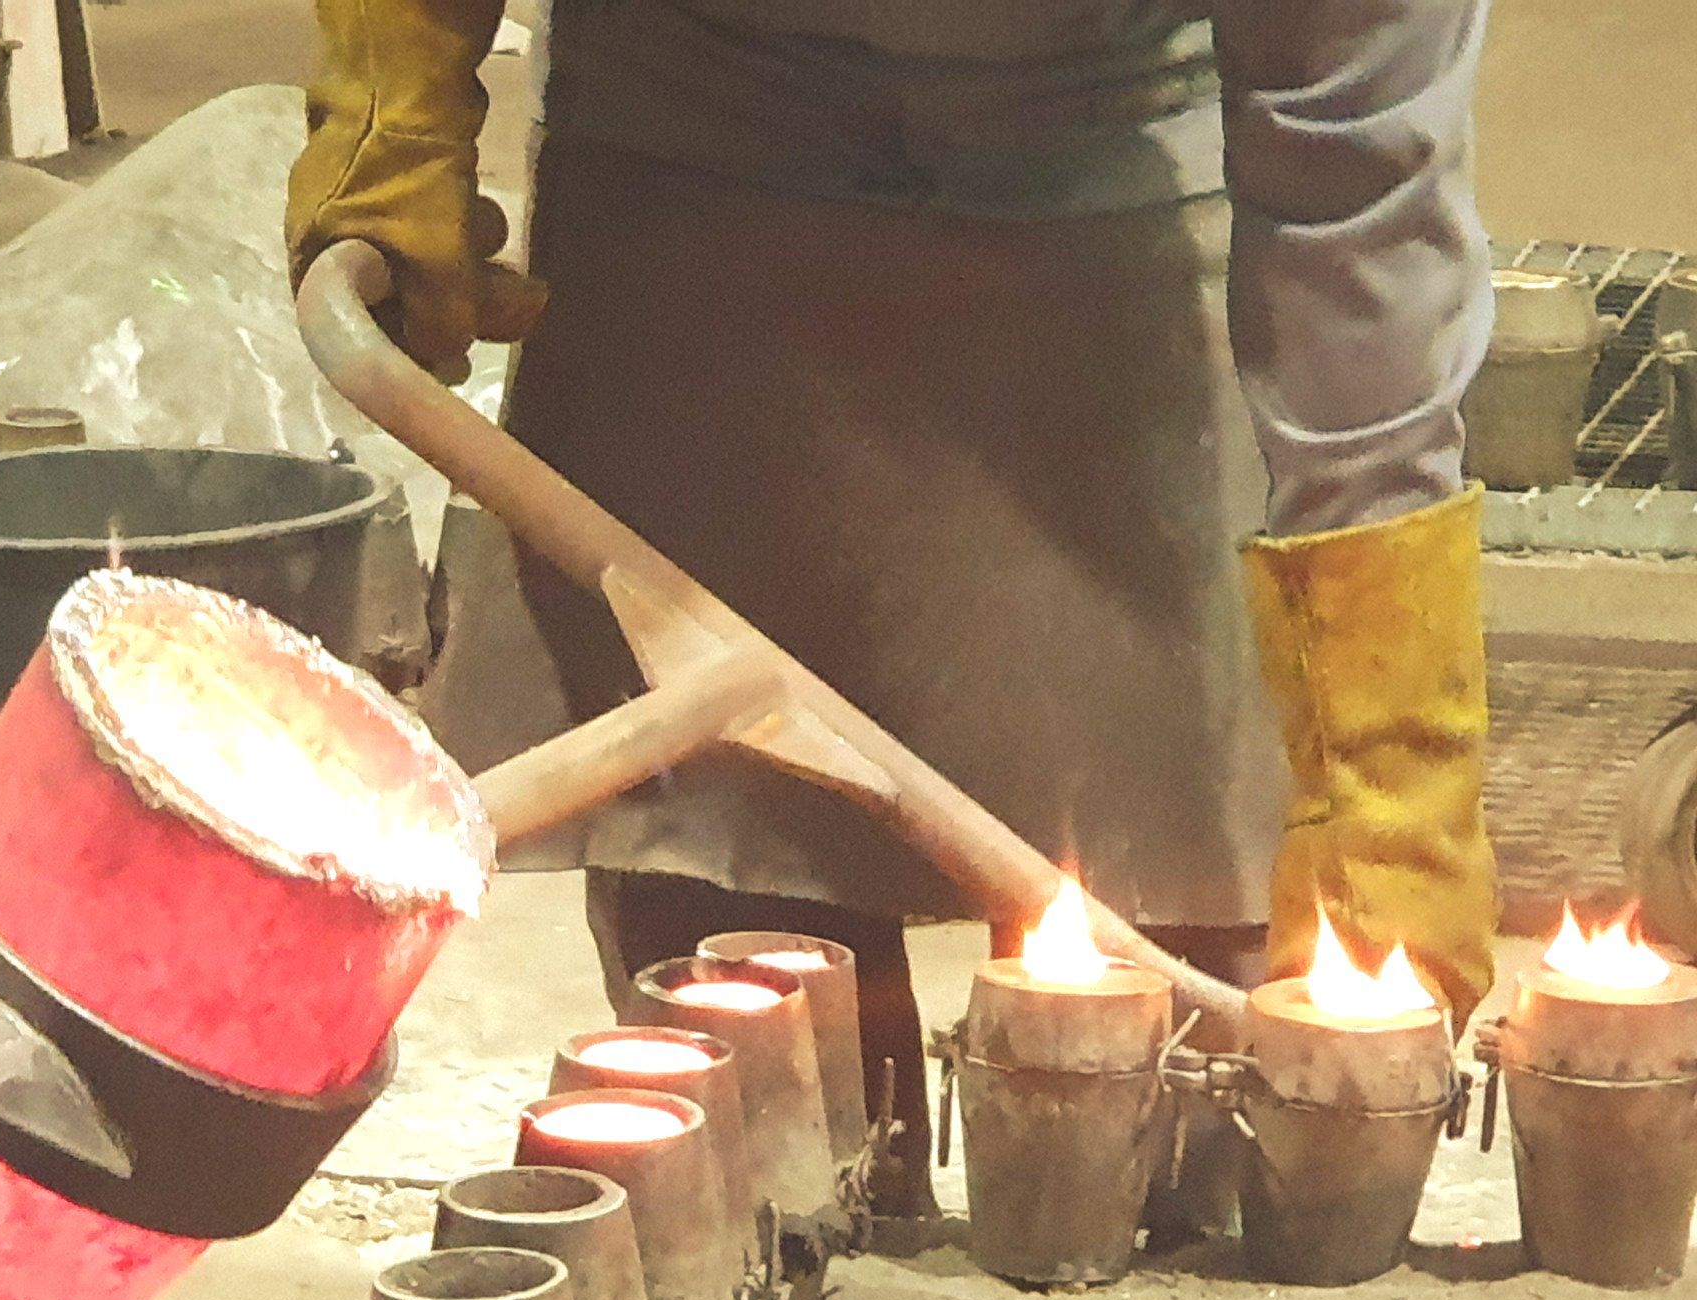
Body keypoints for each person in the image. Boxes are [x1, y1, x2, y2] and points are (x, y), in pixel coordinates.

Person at [288, 0, 1500, 1219]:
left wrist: (1385, 774)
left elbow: (1358, 194)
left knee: (1197, 1092)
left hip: (1112, 199)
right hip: (697, 180)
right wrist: (398, 77)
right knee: (759, 1092)